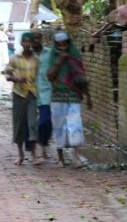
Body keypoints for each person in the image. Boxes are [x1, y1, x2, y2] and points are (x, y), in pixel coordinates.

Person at [47, 31, 92, 168]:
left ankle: (76, 156)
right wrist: (60, 62)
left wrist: (88, 97)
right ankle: (60, 158)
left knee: (75, 126)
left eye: (65, 43)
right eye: (59, 44)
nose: (62, 46)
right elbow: (50, 76)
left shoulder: (75, 55)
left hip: (73, 95)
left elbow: (82, 77)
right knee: (59, 126)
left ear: (68, 43)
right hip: (57, 96)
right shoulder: (53, 56)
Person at [4, 32, 42, 166]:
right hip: (18, 93)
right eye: (24, 42)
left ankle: (34, 154)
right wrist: (16, 78)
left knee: (32, 124)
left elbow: (39, 77)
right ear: (21, 43)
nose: (27, 44)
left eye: (29, 42)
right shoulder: (15, 58)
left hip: (32, 94)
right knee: (19, 124)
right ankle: (20, 154)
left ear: (32, 43)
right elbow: (7, 75)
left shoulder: (36, 59)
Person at [24, 28, 52, 158]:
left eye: (37, 37)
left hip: (46, 91)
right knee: (30, 122)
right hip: (30, 92)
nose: (35, 40)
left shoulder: (49, 53)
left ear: (41, 38)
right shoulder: (26, 55)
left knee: (45, 120)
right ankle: (33, 148)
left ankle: (43, 143)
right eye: (32, 38)